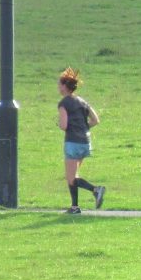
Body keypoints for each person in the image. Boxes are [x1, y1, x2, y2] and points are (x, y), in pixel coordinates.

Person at [57, 67, 106, 214]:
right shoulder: (82, 101)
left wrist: (60, 124)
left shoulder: (63, 103)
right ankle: (74, 207)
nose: (58, 87)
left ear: (65, 86)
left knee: (70, 177)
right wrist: (84, 127)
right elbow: (95, 120)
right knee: (74, 176)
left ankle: (96, 190)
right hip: (85, 141)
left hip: (72, 142)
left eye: (59, 84)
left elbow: (64, 125)